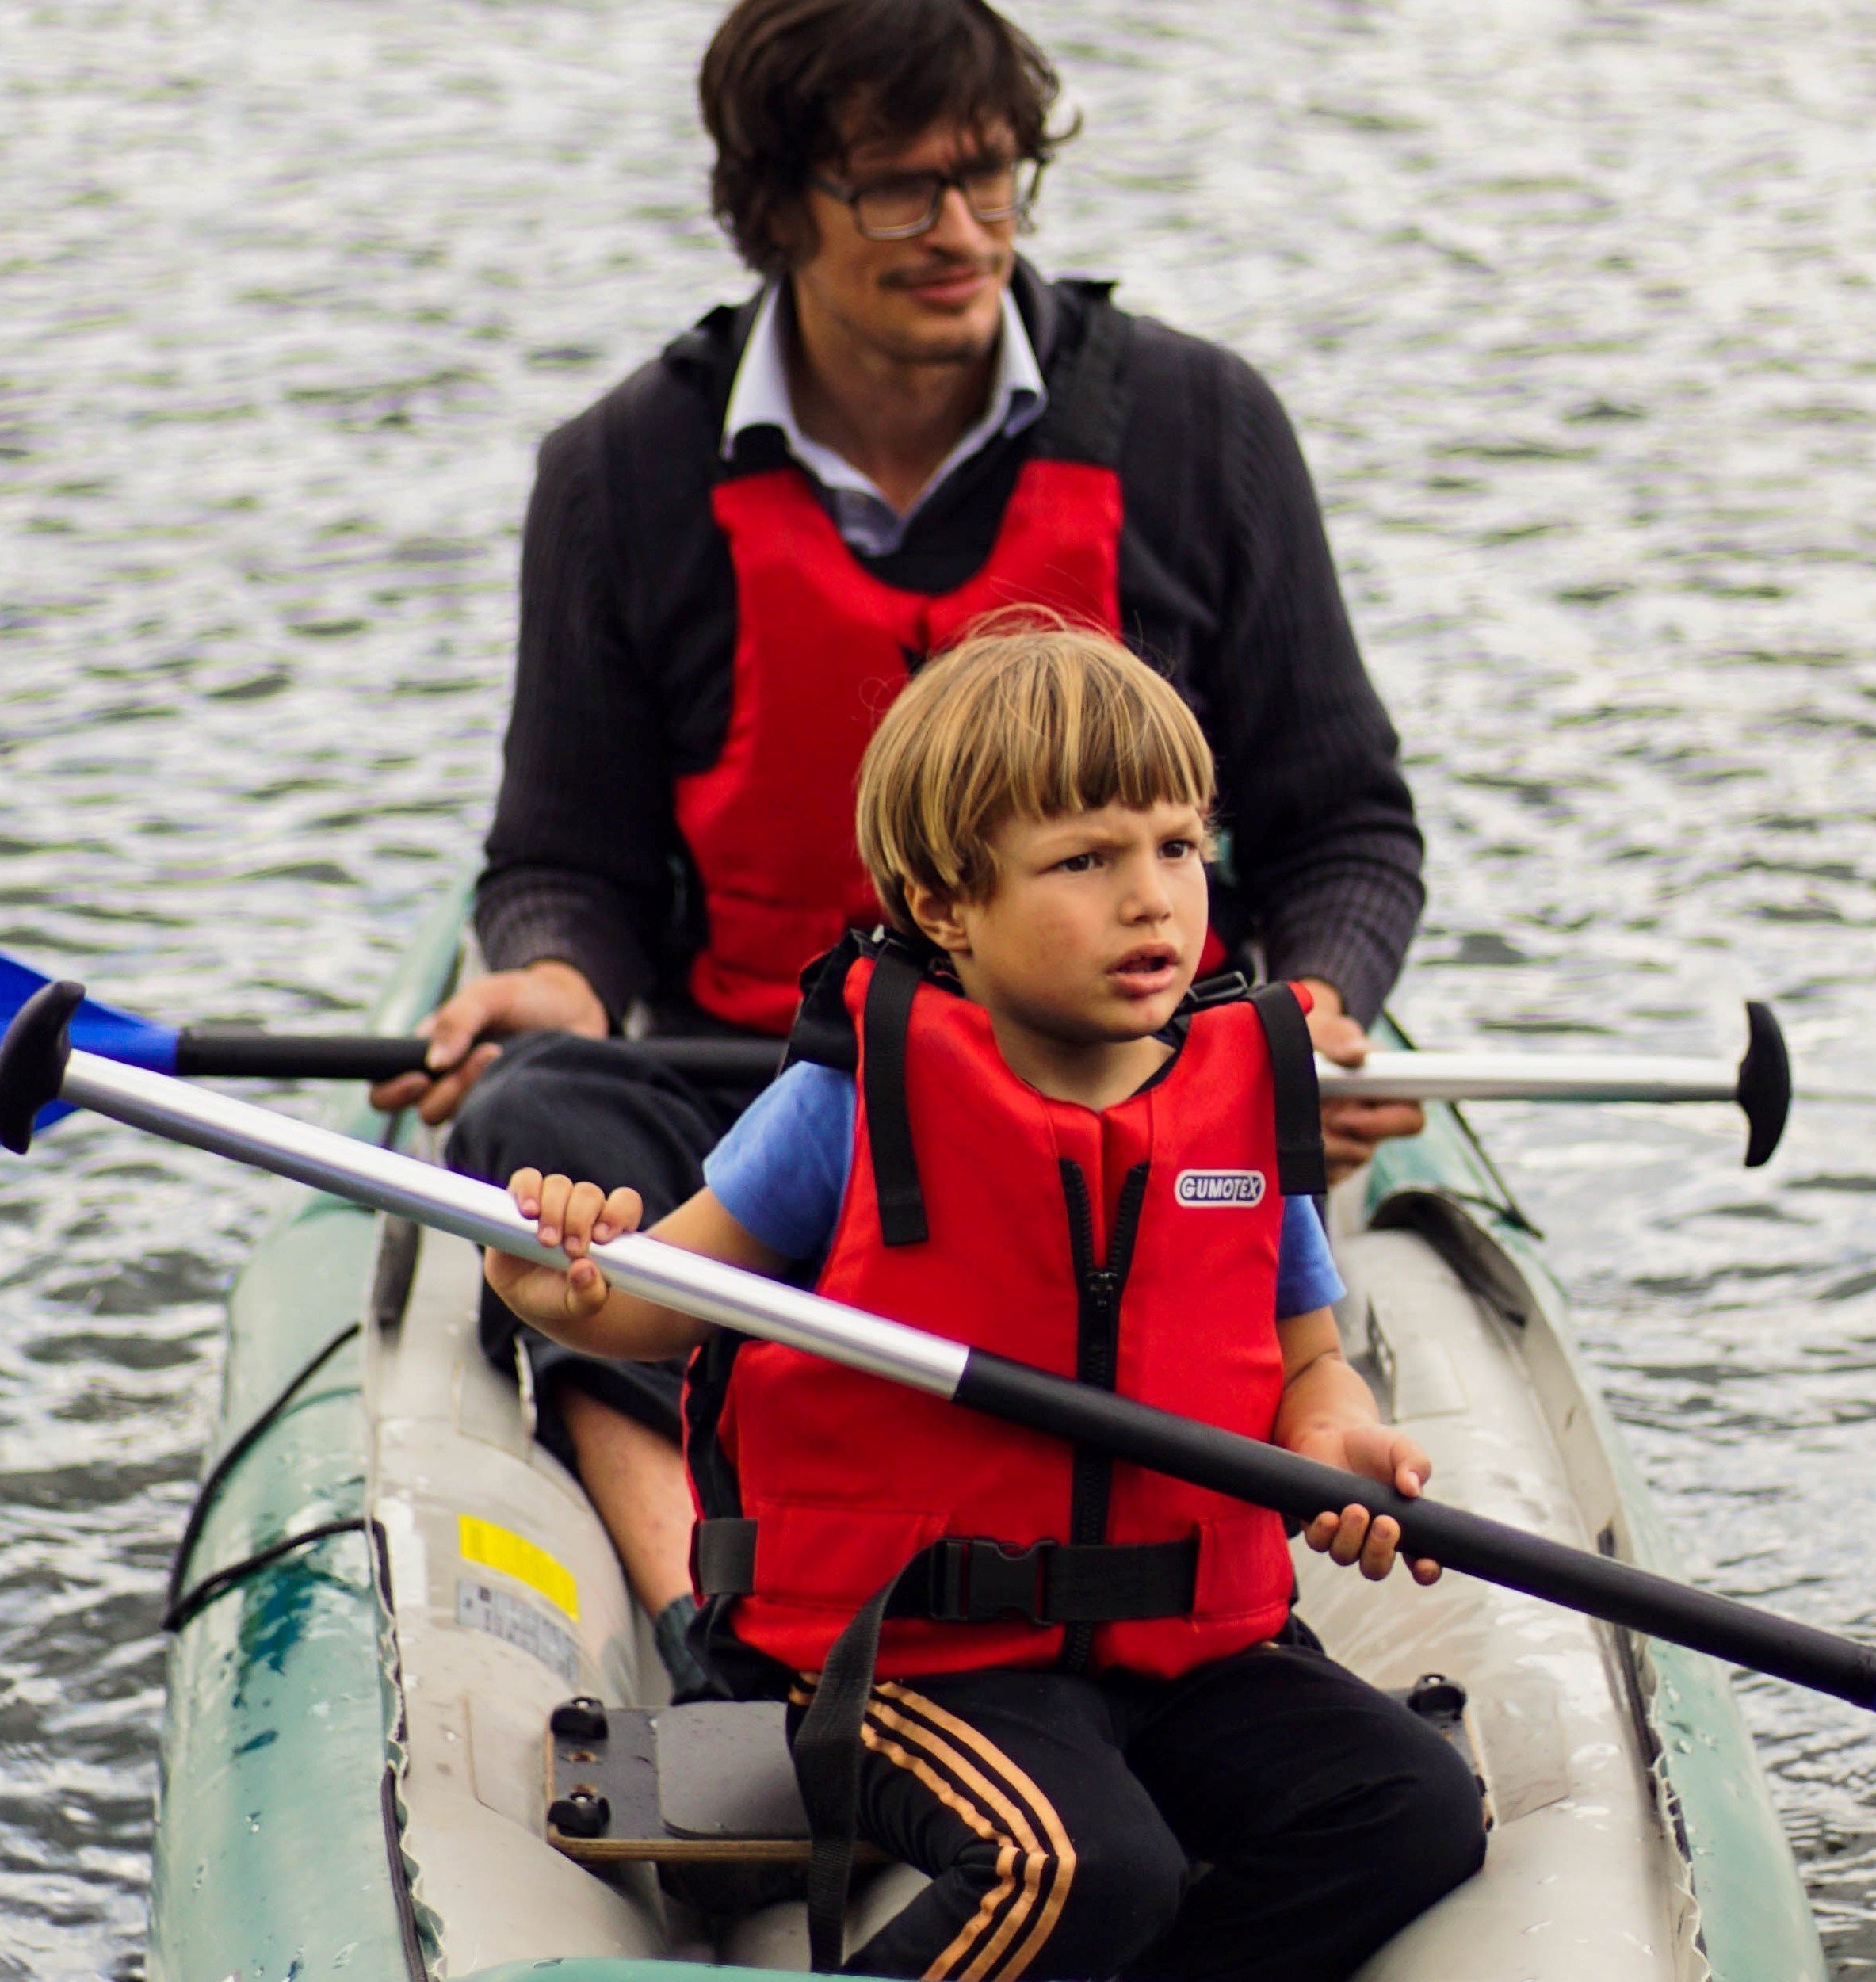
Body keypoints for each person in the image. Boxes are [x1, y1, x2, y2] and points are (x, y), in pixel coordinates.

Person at [372, 0, 1431, 1684]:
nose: (961, 236)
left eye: (993, 178)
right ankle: (689, 1621)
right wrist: (557, 975)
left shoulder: (1198, 425)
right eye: (896, 191)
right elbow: (559, 854)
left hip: (1124, 1078)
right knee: (531, 1108)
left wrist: (1307, 1006)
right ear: (774, 201)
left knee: (1234, 1090)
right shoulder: (620, 470)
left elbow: (1345, 824)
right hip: (775, 1074)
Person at [483, 626, 1485, 1982]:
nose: (1152, 900)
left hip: (1189, 1648)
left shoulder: (1240, 1096)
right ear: (946, 903)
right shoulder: (848, 1105)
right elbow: (667, 1307)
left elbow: (1310, 1359)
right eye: (1085, 860)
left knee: (1410, 1810)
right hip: (915, 1651)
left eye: (1179, 848)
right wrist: (565, 1286)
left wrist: (1336, 1441)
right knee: (1068, 1864)